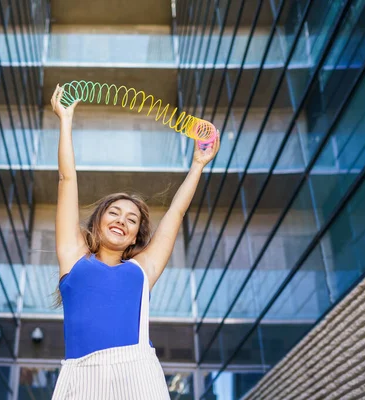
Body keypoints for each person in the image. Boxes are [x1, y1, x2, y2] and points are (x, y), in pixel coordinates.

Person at [50, 84, 220, 400]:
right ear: (98, 220)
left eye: (131, 220)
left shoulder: (143, 270)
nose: (121, 221)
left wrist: (198, 164)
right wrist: (65, 119)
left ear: (134, 236)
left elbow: (177, 212)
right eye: (114, 212)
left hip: (137, 374)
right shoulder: (72, 256)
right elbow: (67, 179)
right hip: (81, 376)